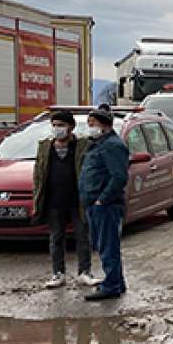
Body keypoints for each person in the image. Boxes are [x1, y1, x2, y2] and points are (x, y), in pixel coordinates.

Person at [32, 110, 99, 289]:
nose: (57, 129)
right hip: (54, 201)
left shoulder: (82, 146)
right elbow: (38, 175)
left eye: (61, 125)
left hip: (78, 200)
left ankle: (84, 272)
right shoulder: (45, 147)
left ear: (70, 127)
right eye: (54, 125)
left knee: (83, 236)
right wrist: (36, 200)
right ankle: (58, 273)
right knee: (56, 238)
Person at [79, 108, 129, 302]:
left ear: (104, 125)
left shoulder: (112, 146)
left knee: (108, 245)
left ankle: (111, 286)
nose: (89, 127)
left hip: (105, 205)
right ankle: (116, 281)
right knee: (103, 244)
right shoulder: (98, 144)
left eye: (92, 124)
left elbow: (119, 176)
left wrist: (103, 199)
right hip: (95, 203)